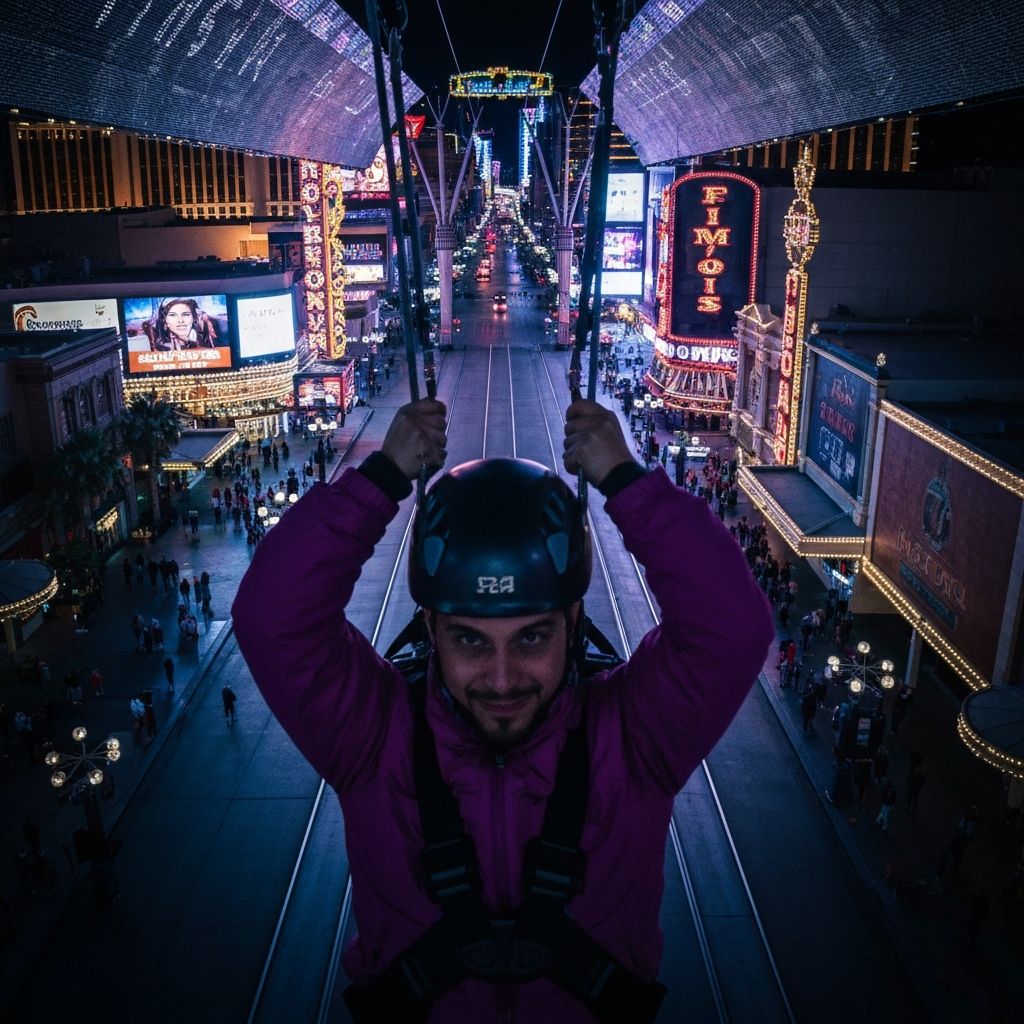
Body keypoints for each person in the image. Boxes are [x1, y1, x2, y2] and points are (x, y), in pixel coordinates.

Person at [233, 397, 773, 1021]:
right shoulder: (374, 737)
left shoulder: (632, 740)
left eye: (532, 637)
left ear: (574, 622)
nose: (501, 678)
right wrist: (378, 479)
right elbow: (272, 618)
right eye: (469, 639)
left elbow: (731, 629)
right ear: (430, 628)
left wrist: (628, 482)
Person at [141, 297, 218, 351]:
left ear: (193, 318)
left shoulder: (201, 330)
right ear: (165, 321)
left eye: (186, 314)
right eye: (173, 315)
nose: (180, 320)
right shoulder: (160, 341)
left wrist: (206, 319)